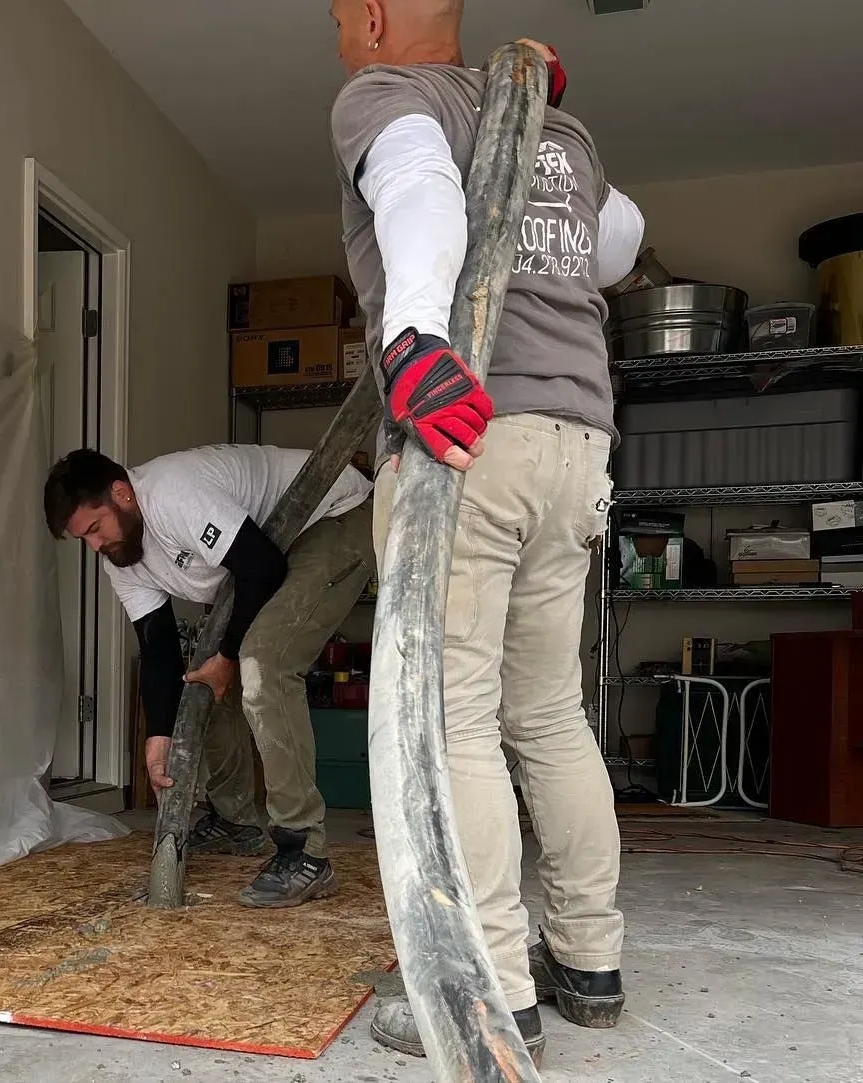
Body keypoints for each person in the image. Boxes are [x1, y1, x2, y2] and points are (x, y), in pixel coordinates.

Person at [326, 0, 646, 1065]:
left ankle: (493, 991)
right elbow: (615, 244)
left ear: (370, 16)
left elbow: (418, 195)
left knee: (455, 714)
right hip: (578, 443)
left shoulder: (387, 96)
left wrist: (417, 339)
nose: (337, 38)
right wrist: (542, 132)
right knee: (549, 711)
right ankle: (590, 963)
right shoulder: (558, 126)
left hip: (472, 431)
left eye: (336, 16)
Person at [43, 444, 373, 907]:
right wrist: (158, 739)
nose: (96, 546)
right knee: (204, 679)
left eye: (96, 529)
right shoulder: (123, 558)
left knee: (263, 664)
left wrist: (227, 658)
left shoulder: (174, 494)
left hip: (330, 514)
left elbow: (262, 567)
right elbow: (158, 649)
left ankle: (305, 852)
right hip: (265, 551)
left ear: (121, 493)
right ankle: (237, 822)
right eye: (84, 539)